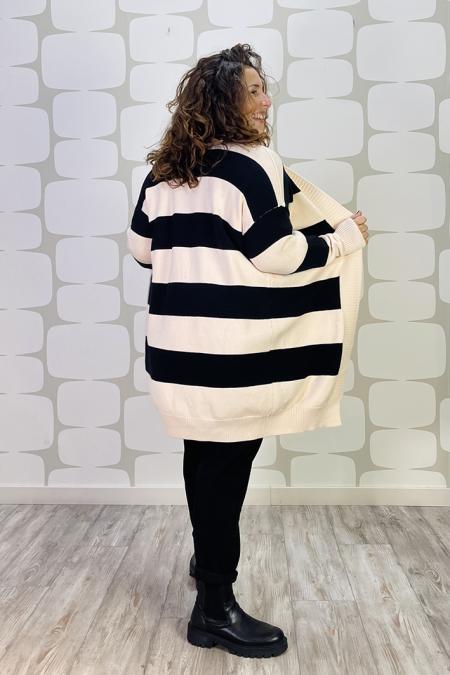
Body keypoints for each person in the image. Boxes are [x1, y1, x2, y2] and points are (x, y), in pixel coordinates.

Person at [127, 44, 368, 659]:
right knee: (227, 468)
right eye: (255, 90)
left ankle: (206, 563)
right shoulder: (254, 165)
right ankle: (215, 609)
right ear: (226, 101)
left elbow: (142, 250)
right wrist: (339, 241)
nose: (267, 100)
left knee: (203, 458)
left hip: (176, 350)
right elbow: (276, 255)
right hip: (230, 357)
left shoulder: (164, 170)